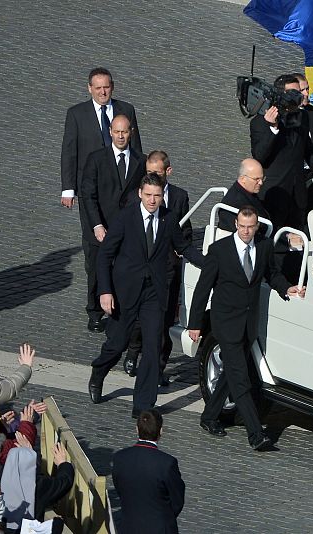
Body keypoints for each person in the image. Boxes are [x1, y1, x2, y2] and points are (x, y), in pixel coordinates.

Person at [188, 207, 304, 451]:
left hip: (248, 324)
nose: (246, 231)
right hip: (226, 323)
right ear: (236, 224)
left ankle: (209, 417)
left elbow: (272, 274)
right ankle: (255, 434)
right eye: (242, 226)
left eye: (250, 227)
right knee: (241, 378)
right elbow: (202, 289)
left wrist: (286, 288)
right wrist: (195, 324)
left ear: (256, 227)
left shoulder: (263, 247)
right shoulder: (219, 251)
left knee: (231, 373)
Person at [88, 174, 204, 418]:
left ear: (163, 195)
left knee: (152, 347)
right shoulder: (125, 218)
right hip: (125, 292)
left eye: (157, 196)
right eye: (149, 195)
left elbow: (182, 248)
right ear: (140, 193)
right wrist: (105, 291)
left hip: (154, 294)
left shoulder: (169, 218)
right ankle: (99, 371)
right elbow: (105, 255)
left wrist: (210, 263)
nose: (153, 200)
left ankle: (142, 404)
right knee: (117, 344)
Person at [124, 151, 193, 383]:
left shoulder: (180, 197)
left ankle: (159, 367)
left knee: (164, 320)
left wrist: (179, 249)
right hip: (142, 270)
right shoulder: (138, 198)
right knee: (137, 318)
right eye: (149, 173)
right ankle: (133, 350)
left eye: (157, 173)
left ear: (168, 172)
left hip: (167, 270)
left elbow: (186, 233)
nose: (152, 176)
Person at [78, 114, 146, 333]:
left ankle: (120, 310)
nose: (120, 136)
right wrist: (97, 225)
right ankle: (95, 312)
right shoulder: (96, 159)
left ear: (131, 133)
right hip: (101, 228)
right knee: (97, 271)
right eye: (116, 132)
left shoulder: (140, 160)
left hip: (126, 229)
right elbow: (88, 195)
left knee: (123, 270)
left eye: (124, 132)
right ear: (109, 132)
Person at [250, 74, 313, 230]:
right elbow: (259, 156)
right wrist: (272, 128)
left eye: (299, 92)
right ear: (281, 95)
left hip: (298, 195)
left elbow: (308, 147)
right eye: (295, 92)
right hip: (274, 194)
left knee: (297, 240)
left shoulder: (302, 116)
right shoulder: (260, 122)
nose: (300, 96)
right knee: (272, 240)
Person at [60, 67, 142, 209]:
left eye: (106, 87)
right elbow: (69, 152)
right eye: (98, 88)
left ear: (113, 87)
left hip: (122, 183)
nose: (102, 92)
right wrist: (68, 189)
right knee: (93, 228)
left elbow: (135, 146)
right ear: (89, 88)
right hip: (90, 184)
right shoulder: (76, 114)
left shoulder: (126, 109)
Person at [112, 410, 185, 534]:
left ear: (137, 429)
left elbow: (119, 489)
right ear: (161, 430)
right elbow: (177, 500)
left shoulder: (120, 458)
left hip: (129, 527)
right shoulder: (167, 463)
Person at [1, 438, 73, 534]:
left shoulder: (1, 478)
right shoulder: (37, 485)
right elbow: (64, 482)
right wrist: (63, 463)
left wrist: (30, 454)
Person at [217, 159, 270, 235]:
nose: (261, 183)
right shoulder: (235, 203)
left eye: (262, 178)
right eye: (256, 179)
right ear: (243, 179)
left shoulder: (248, 193)